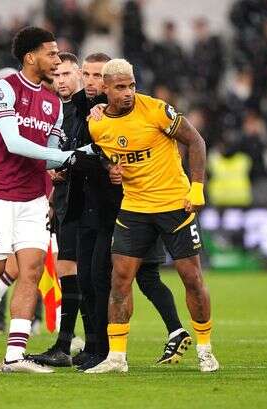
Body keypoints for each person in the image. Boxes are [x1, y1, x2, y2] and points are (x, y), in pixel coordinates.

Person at [85, 58, 219, 373]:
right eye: (120, 87)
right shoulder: (98, 124)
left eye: (131, 85)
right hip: (135, 208)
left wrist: (197, 187)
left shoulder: (157, 110)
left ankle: (205, 349)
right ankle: (117, 358)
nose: (128, 92)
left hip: (175, 204)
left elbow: (196, 140)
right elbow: (106, 155)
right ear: (105, 89)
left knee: (192, 278)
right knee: (120, 279)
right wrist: (111, 168)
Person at [0, 26, 75, 373]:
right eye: (52, 53)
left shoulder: (54, 103)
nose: (57, 60)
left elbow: (53, 155)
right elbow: (14, 143)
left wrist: (76, 157)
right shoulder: (4, 89)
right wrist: (70, 157)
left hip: (32, 197)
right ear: (31, 57)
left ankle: (15, 354)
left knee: (30, 272)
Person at [26, 52, 83, 366]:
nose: (60, 80)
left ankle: (79, 343)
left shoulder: (88, 110)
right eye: (56, 76)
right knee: (70, 271)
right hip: (63, 200)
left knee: (82, 272)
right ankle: (71, 343)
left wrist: (67, 167)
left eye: (66, 74)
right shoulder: (56, 110)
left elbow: (90, 155)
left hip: (83, 202)